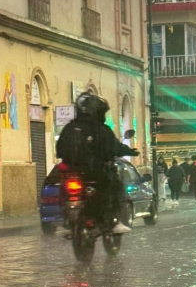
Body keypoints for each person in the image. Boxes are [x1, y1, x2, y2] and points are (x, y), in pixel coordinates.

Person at [57, 92, 140, 234]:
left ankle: (68, 219)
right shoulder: (101, 130)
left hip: (71, 171)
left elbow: (59, 148)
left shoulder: (69, 128)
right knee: (115, 184)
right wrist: (130, 151)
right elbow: (114, 147)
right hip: (95, 171)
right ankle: (114, 220)